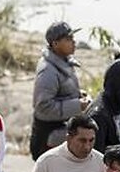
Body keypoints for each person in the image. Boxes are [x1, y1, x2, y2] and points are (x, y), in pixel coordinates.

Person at [31, 21, 91, 159]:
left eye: (73, 38)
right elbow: (43, 107)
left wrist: (77, 95)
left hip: (60, 136)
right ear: (55, 44)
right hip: (49, 140)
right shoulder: (47, 71)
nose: (74, 42)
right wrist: (78, 105)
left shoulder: (63, 61)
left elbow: (61, 92)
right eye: (68, 39)